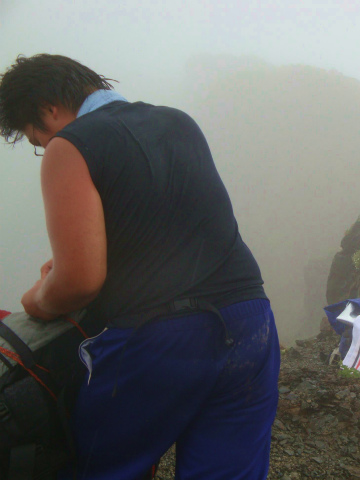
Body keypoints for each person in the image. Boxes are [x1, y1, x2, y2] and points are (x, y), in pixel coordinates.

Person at [0, 54, 280, 479]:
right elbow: (169, 230)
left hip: (159, 338)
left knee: (97, 468)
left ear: (48, 109)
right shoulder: (178, 122)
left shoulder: (71, 144)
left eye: (37, 139)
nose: (44, 148)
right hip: (250, 324)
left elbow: (78, 282)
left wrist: (37, 297)